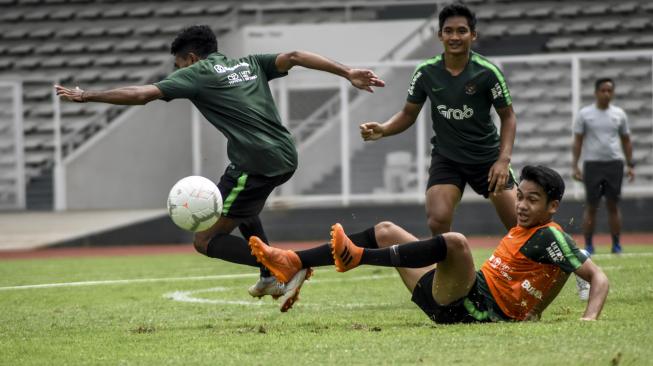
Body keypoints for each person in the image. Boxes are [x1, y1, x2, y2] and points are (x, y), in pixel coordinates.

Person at [55, 25, 385, 312]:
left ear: (192, 59)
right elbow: (296, 55)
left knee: (205, 240)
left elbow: (143, 95)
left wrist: (87, 96)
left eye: (179, 64)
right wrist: (347, 72)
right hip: (280, 155)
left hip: (257, 162)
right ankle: (269, 275)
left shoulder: (197, 74)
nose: (178, 71)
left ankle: (287, 265)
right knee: (236, 199)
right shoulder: (250, 63)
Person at [249, 165, 609, 323]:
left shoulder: (550, 234)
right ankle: (294, 261)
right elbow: (555, 276)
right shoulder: (531, 231)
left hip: (476, 310)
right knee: (387, 228)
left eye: (533, 200)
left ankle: (358, 256)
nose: (522, 205)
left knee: (456, 242)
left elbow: (597, 278)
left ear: (553, 206)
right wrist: (537, 308)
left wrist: (589, 318)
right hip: (452, 299)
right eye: (521, 197)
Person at [359, 3, 518, 236]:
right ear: (440, 35)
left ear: (473, 35)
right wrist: (383, 129)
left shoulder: (487, 73)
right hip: (448, 158)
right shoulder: (425, 72)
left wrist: (503, 160)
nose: (455, 36)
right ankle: (447, 272)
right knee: (437, 220)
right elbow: (408, 114)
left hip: (487, 158)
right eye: (448, 31)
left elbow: (509, 117)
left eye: (462, 31)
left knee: (519, 225)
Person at [572, 77, 635, 255]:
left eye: (609, 90)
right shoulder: (585, 114)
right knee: (591, 206)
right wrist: (575, 165)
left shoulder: (619, 114)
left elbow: (626, 140)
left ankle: (616, 245)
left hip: (614, 164)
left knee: (613, 205)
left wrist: (630, 164)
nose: (606, 94)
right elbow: (577, 141)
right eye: (603, 90)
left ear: (613, 93)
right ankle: (589, 245)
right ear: (596, 92)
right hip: (592, 165)